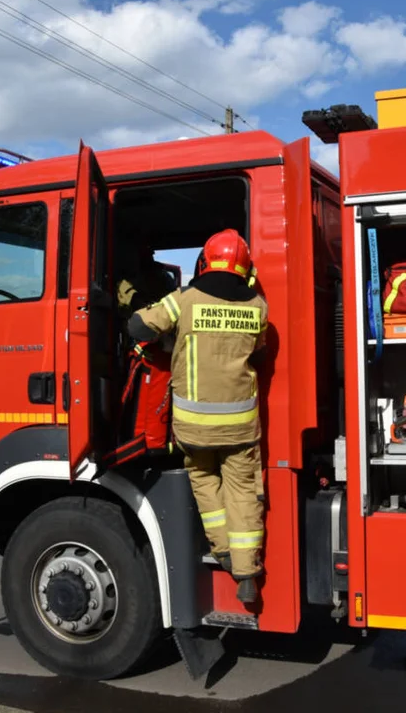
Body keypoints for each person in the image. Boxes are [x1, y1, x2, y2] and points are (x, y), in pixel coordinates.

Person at [126, 229, 268, 604]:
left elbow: (137, 327)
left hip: (192, 426)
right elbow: (260, 346)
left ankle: (220, 550)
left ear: (205, 261)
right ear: (245, 267)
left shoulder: (183, 300)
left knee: (205, 480)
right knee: (242, 493)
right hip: (240, 424)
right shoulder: (258, 305)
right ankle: (247, 572)